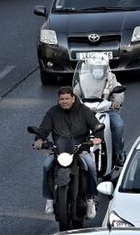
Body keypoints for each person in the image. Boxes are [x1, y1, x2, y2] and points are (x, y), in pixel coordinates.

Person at [33, 87, 104, 218]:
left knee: (92, 167)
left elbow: (96, 125)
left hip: (80, 149)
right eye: (61, 99)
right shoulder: (52, 112)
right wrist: (39, 139)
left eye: (67, 98)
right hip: (59, 151)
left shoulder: (84, 111)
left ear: (73, 98)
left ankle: (90, 199)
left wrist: (98, 137)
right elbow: (44, 128)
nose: (64, 101)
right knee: (46, 166)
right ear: (58, 100)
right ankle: (49, 198)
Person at [73, 60, 126, 167]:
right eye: (95, 67)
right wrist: (74, 100)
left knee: (118, 124)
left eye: (100, 67)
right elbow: (75, 92)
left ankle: (119, 153)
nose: (98, 70)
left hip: (106, 109)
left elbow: (118, 90)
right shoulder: (85, 78)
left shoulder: (111, 77)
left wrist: (116, 102)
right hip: (87, 110)